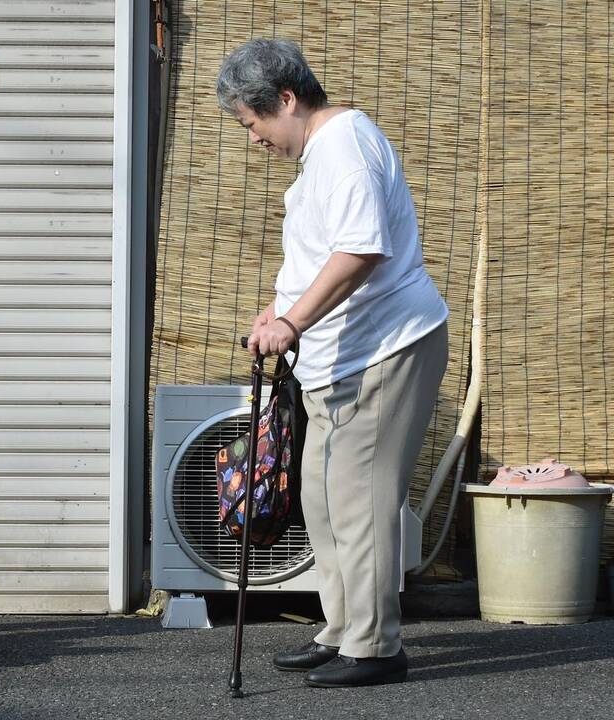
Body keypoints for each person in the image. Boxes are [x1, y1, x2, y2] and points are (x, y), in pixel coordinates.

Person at [217, 38, 449, 688]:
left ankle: (376, 646)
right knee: (320, 496)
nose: (254, 138)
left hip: (385, 349)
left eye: (253, 121)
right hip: (335, 357)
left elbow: (359, 250)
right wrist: (277, 312)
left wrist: (293, 321)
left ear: (286, 99)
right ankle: (343, 627)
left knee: (360, 499)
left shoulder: (345, 144)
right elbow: (320, 256)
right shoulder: (322, 155)